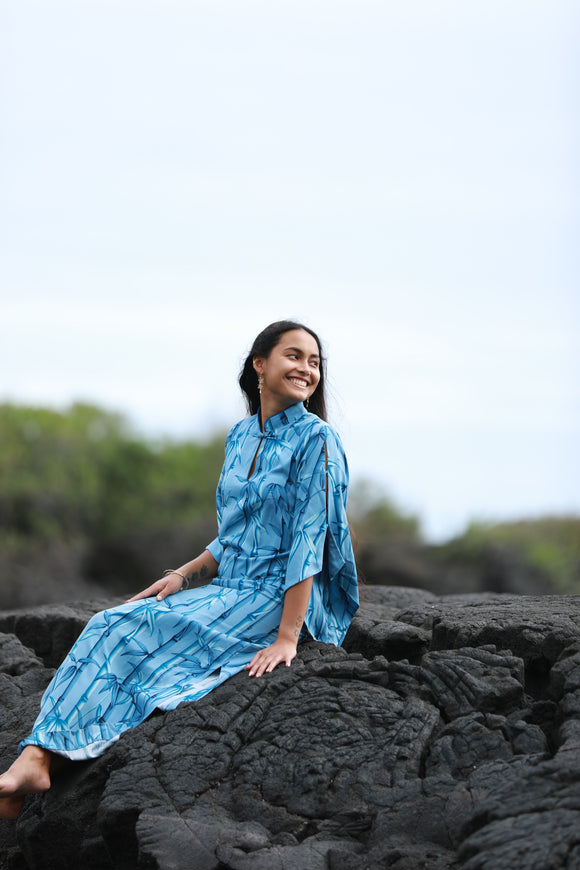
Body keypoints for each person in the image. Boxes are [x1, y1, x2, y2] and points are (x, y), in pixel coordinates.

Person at [0, 320, 358, 819]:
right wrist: (184, 574)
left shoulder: (316, 440)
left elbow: (308, 542)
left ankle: (37, 760)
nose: (306, 369)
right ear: (260, 364)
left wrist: (287, 637)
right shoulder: (240, 437)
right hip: (234, 585)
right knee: (115, 624)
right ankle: (38, 759)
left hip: (280, 597)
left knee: (125, 631)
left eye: (315, 362)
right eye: (293, 356)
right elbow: (238, 532)